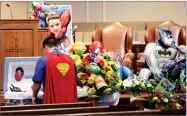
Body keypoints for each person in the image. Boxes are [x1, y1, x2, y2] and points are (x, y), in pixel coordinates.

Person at [32, 36, 78, 104]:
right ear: (57, 46)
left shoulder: (43, 60)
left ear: (45, 47)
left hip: (52, 104)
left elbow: (36, 82)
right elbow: (76, 81)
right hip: (70, 102)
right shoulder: (71, 61)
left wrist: (34, 96)